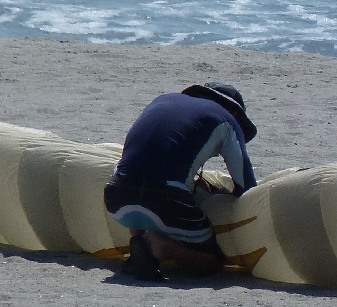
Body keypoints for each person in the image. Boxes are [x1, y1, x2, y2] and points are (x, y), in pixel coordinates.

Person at [102, 82, 258, 281]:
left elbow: (146, 158)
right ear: (235, 113)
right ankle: (160, 245)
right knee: (212, 262)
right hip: (165, 197)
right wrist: (223, 196)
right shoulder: (227, 120)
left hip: (116, 197)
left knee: (138, 185)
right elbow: (247, 188)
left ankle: (139, 240)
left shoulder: (162, 100)